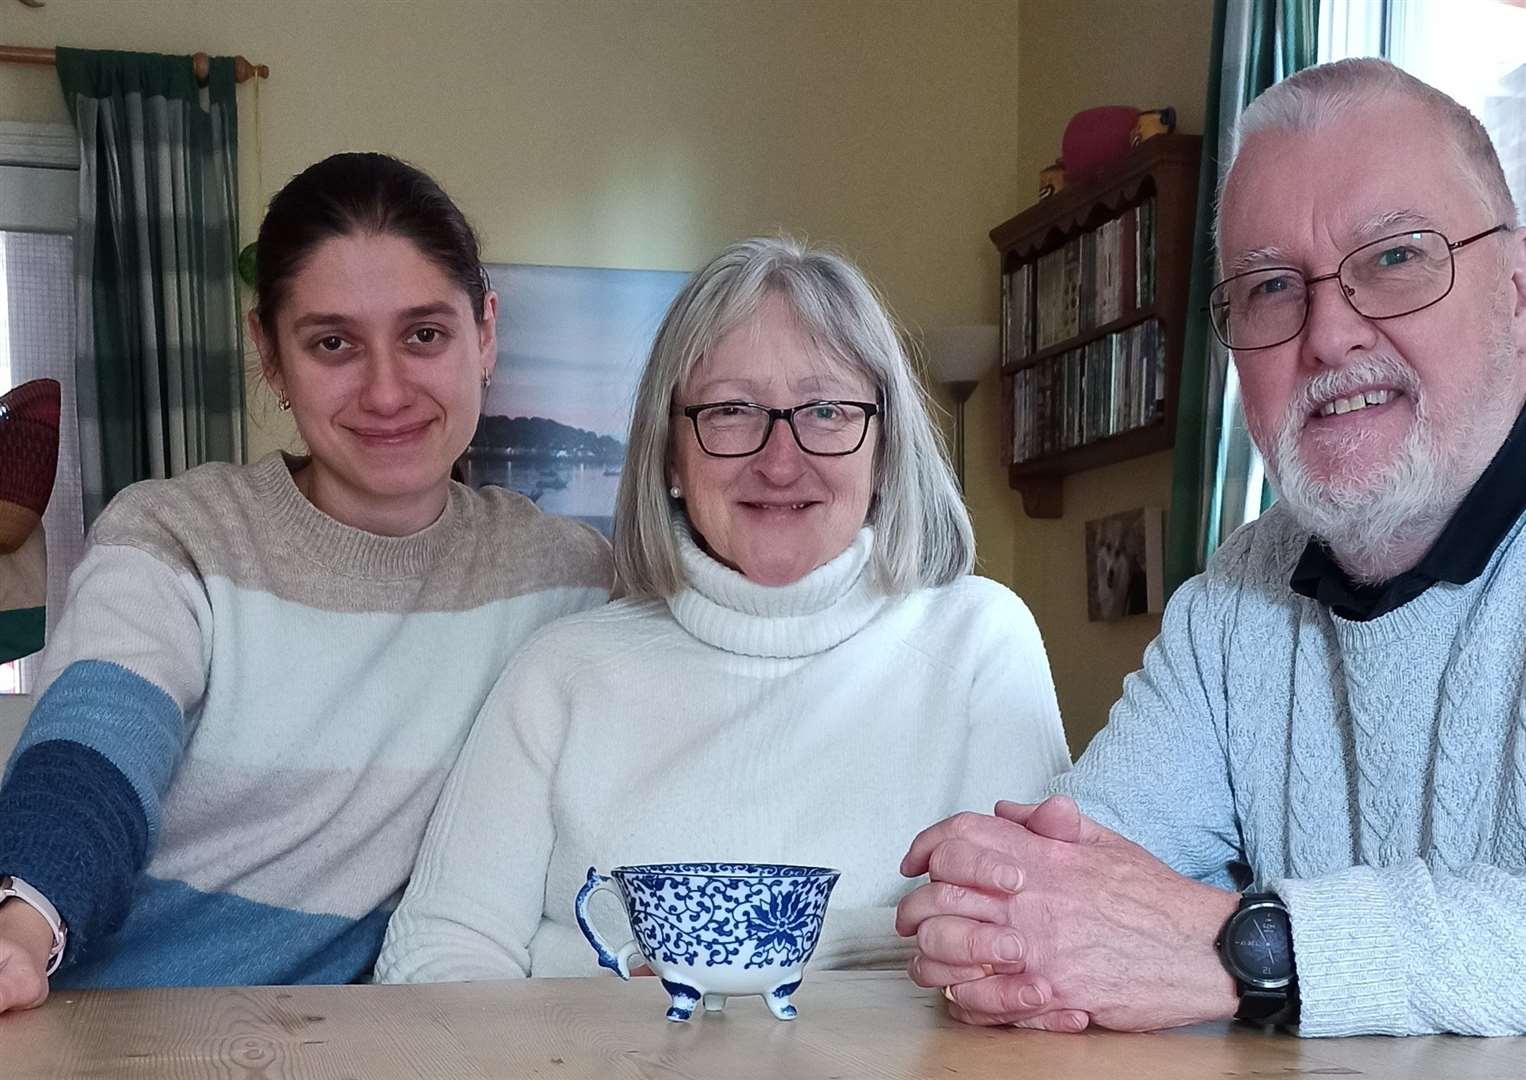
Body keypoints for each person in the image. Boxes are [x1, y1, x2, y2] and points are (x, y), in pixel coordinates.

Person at [895, 57, 1526, 1038]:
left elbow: (1177, 940)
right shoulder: (1237, 593)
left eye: (1394, 257)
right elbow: (1070, 886)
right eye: (1270, 286)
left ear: (1517, 289)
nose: (1327, 334)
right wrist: (997, 914)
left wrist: (1242, 949)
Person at [0, 153, 613, 1012]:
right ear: (271, 355)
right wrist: (20, 930)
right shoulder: (178, 537)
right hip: (97, 1019)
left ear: (486, 334)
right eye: (333, 343)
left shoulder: (569, 577)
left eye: (425, 334)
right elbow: (97, 742)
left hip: (347, 1041)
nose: (386, 390)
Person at [374, 236, 1070, 983]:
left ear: (886, 447)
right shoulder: (562, 669)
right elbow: (435, 954)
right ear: (671, 455)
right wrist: (881, 946)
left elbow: (1020, 951)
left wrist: (633, 962)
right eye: (733, 411)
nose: (779, 461)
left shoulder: (979, 643)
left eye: (827, 409)